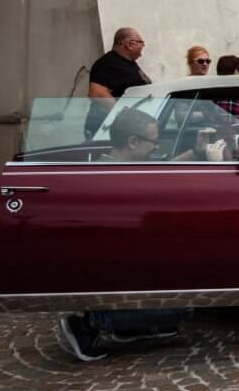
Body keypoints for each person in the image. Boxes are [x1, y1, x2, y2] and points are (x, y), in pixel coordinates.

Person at [59, 109, 185, 361]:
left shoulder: (122, 165)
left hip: (124, 269)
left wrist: (199, 151)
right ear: (133, 142)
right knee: (183, 306)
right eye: (154, 142)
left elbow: (165, 167)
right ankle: (88, 323)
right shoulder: (108, 178)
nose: (157, 147)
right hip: (111, 274)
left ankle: (127, 326)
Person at [84, 27, 151, 138]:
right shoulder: (107, 63)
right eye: (141, 43)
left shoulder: (128, 62)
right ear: (129, 44)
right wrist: (124, 115)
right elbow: (97, 93)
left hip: (131, 128)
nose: (143, 46)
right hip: (113, 131)